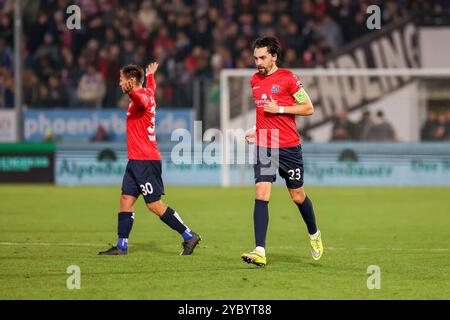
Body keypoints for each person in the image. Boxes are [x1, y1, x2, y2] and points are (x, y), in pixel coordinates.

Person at [98, 63, 201, 256]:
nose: (119, 83)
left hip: (145, 160)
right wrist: (151, 76)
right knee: (126, 199)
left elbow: (142, 102)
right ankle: (122, 245)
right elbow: (150, 90)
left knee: (154, 204)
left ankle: (189, 235)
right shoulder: (147, 92)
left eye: (121, 79)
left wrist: (131, 93)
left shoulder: (140, 97)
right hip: (135, 160)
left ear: (130, 81)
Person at [241, 37, 323, 267]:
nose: (258, 62)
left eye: (262, 57)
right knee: (261, 193)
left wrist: (281, 108)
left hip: (289, 146)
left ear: (274, 56)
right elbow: (263, 114)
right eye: (255, 57)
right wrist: (256, 131)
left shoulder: (288, 78)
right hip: (266, 144)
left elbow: (309, 108)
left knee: (297, 196)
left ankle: (314, 233)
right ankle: (260, 250)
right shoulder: (254, 80)